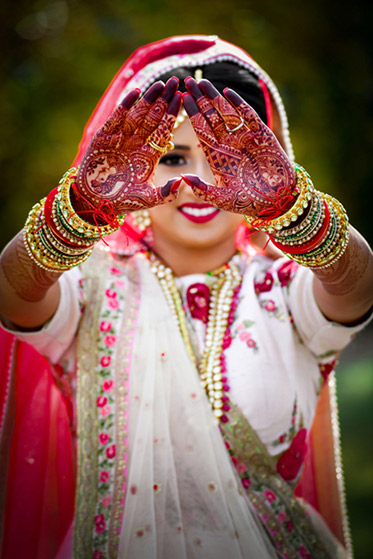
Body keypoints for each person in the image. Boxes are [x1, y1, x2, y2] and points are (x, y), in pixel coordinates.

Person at [0, 34, 372, 559]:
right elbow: (11, 295)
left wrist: (293, 205)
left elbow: (360, 285)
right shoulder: (89, 290)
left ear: (270, 164)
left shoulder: (286, 292)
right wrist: (81, 208)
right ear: (132, 164)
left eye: (227, 158)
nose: (198, 181)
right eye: (173, 156)